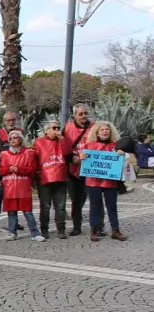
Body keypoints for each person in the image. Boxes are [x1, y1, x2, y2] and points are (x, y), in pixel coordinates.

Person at [80, 121, 127, 242]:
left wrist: (122, 154)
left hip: (110, 181)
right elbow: (83, 158)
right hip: (93, 182)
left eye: (107, 129)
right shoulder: (90, 145)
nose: (105, 131)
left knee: (112, 206)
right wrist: (82, 157)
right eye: (102, 130)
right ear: (97, 132)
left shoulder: (115, 146)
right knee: (94, 206)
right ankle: (94, 230)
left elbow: (123, 162)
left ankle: (115, 230)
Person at [0, 131, 45, 242]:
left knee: (28, 211)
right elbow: (0, 170)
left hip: (23, 187)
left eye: (15, 137)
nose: (13, 140)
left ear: (20, 139)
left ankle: (35, 233)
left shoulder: (28, 153)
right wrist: (8, 169)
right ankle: (12, 232)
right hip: (10, 187)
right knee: (11, 211)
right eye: (10, 138)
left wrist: (19, 169)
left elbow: (32, 169)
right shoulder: (4, 154)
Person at [61, 104, 93, 236]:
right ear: (74, 115)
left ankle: (98, 226)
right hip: (74, 169)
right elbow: (62, 146)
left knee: (95, 199)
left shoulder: (94, 127)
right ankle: (76, 226)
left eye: (85, 113)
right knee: (76, 199)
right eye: (81, 114)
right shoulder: (68, 128)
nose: (84, 116)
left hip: (92, 168)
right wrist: (71, 157)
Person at [32, 121, 68, 239]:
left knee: (60, 206)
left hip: (60, 178)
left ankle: (61, 229)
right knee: (45, 206)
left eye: (58, 127)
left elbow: (67, 153)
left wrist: (62, 139)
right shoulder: (39, 142)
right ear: (47, 130)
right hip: (45, 179)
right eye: (54, 127)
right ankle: (44, 229)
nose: (56, 129)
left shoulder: (62, 141)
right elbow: (33, 159)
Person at [0, 111, 23, 230]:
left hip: (16, 167)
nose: (11, 122)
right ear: (4, 121)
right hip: (2, 168)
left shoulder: (20, 131)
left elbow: (22, 147)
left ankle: (14, 220)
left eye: (13, 120)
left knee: (14, 195)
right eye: (8, 120)